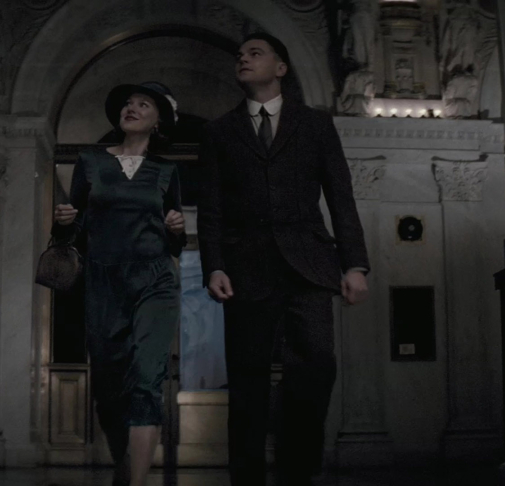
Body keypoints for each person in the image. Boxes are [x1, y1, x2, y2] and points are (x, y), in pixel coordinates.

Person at [197, 33, 370, 486]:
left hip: (309, 264)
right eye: (240, 55)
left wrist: (354, 264)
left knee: (316, 367)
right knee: (247, 379)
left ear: (280, 67)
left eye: (255, 53)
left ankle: (298, 471)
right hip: (244, 269)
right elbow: (211, 209)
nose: (243, 58)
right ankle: (247, 478)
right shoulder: (218, 132)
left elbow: (341, 196)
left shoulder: (315, 125)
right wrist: (214, 265)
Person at [52, 82, 187, 486]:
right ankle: (124, 465)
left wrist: (176, 229)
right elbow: (72, 231)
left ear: (158, 121)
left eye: (143, 104)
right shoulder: (90, 161)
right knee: (109, 388)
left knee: (147, 379)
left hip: (155, 280)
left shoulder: (166, 170)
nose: (132, 108)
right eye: (129, 103)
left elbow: (176, 243)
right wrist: (63, 223)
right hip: (104, 282)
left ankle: (138, 481)